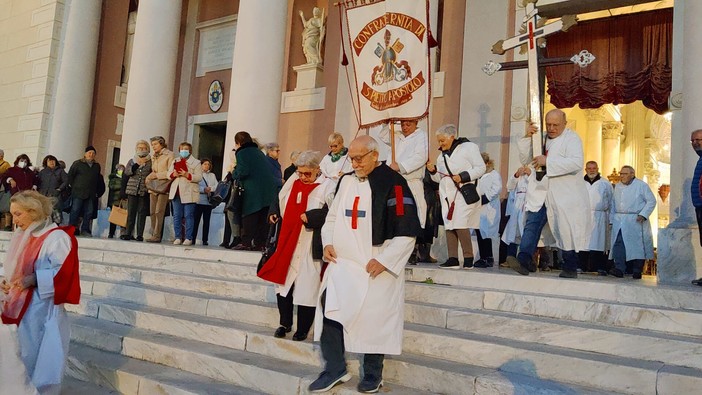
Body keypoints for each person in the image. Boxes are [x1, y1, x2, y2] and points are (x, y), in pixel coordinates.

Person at [308, 136, 420, 393]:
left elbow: (407, 230)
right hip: (343, 262)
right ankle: (334, 368)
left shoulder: (394, 182)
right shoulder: (346, 181)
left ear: (374, 154)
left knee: (374, 318)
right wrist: (327, 242)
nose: (355, 163)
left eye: (360, 158)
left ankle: (372, 373)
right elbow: (333, 217)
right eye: (352, 158)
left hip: (375, 261)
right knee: (331, 310)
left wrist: (385, 260)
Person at [1, 190, 80, 394]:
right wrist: (4, 278)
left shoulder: (57, 238)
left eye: (18, 214)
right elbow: (13, 264)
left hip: (41, 308)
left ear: (33, 211)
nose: (14, 220)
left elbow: (64, 273)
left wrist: (34, 278)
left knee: (35, 355)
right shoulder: (24, 234)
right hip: (18, 302)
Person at [258, 151, 334, 342]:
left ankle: (303, 328)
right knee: (283, 283)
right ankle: (284, 323)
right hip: (287, 240)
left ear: (317, 170)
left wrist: (313, 217)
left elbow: (333, 214)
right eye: (300, 172)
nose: (302, 177)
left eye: (307, 174)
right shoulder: (293, 181)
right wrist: (274, 212)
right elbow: (279, 198)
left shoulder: (328, 186)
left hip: (309, 242)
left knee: (307, 287)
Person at [507, 109, 591, 278]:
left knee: (565, 228)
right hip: (541, 192)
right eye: (549, 124)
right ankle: (523, 260)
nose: (551, 128)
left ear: (565, 124)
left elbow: (576, 163)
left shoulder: (571, 139)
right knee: (532, 224)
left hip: (564, 193)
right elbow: (526, 160)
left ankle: (570, 266)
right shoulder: (541, 138)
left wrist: (548, 161)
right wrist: (527, 138)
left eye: (556, 125)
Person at [426, 124, 486, 269]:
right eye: (439, 141)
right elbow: (440, 178)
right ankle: (452, 258)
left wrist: (463, 176)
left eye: (442, 141)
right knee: (449, 224)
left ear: (451, 137)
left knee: (460, 222)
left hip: (463, 192)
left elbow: (481, 168)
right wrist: (433, 172)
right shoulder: (441, 156)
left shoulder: (469, 148)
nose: (440, 144)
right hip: (447, 195)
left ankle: (468, 257)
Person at [378, 119, 428, 263]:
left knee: (411, 215)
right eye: (403, 124)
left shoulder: (421, 137)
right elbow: (384, 136)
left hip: (410, 181)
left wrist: (400, 166)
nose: (405, 127)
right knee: (395, 214)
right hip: (394, 183)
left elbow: (420, 157)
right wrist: (386, 123)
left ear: (415, 123)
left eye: (408, 125)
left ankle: (412, 250)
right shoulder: (398, 136)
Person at [231, 131, 278, 251]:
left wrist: (234, 173)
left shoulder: (241, 153)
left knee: (249, 216)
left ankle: (246, 242)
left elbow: (243, 171)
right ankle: (260, 243)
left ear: (239, 143)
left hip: (253, 191)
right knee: (263, 217)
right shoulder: (259, 152)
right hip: (268, 190)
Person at [609, 166, 656, 279]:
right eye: (621, 173)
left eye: (625, 174)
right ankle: (619, 268)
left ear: (632, 174)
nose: (622, 176)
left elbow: (651, 201)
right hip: (619, 219)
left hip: (635, 219)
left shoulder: (641, 186)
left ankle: (637, 270)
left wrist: (643, 214)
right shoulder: (617, 187)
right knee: (619, 243)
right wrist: (611, 220)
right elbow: (613, 204)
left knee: (637, 245)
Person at [582, 161, 613, 275]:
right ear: (585, 169)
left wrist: (611, 218)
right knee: (583, 243)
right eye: (589, 168)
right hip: (583, 215)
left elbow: (611, 201)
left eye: (594, 168)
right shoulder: (580, 183)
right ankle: (582, 266)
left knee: (598, 241)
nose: (591, 170)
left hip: (599, 215)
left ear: (597, 169)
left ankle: (599, 267)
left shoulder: (605, 183)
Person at [168, 142, 202, 246]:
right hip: (176, 192)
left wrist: (187, 174)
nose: (183, 151)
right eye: (181, 149)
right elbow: (168, 174)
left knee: (188, 215)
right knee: (177, 215)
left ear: (190, 150)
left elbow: (199, 177)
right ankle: (178, 237)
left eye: (186, 149)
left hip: (189, 191)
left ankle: (188, 237)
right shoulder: (175, 161)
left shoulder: (196, 162)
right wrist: (173, 174)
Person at [474, 152, 502, 268]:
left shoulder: (494, 174)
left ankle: (486, 258)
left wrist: (486, 198)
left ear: (486, 163)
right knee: (480, 232)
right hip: (479, 207)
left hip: (489, 207)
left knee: (485, 233)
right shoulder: (477, 175)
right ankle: (486, 257)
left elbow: (497, 188)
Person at [145, 136, 174, 243]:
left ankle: (157, 235)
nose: (154, 147)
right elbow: (153, 170)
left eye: (155, 144)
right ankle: (153, 233)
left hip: (163, 186)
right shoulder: (154, 156)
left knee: (159, 211)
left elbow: (170, 172)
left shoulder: (169, 155)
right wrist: (149, 176)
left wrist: (156, 175)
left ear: (161, 144)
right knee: (152, 211)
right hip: (153, 187)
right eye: (152, 145)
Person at [67, 146, 102, 236]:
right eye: (89, 153)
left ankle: (85, 230)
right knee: (75, 210)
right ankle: (72, 228)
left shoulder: (96, 166)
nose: (91, 155)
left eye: (93, 153)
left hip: (91, 193)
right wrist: (73, 186)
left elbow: (98, 179)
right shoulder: (78, 164)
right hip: (78, 192)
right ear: (85, 154)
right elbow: (70, 176)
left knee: (89, 212)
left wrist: (97, 191)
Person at [122, 141, 152, 241]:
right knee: (131, 212)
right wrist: (136, 165)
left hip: (143, 189)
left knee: (141, 212)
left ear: (147, 149)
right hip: (132, 189)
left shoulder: (150, 161)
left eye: (143, 148)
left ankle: (139, 234)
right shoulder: (132, 160)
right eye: (139, 147)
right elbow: (127, 172)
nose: (141, 149)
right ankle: (128, 233)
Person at [37, 155, 69, 225]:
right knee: (44, 212)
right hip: (44, 195)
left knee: (56, 212)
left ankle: (56, 226)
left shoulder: (60, 171)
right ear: (46, 162)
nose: (52, 162)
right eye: (49, 161)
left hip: (56, 195)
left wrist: (59, 189)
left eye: (53, 160)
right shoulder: (42, 172)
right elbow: (38, 182)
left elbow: (66, 181)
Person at [193, 158, 217, 245]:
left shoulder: (212, 175)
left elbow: (216, 185)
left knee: (206, 222)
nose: (207, 166)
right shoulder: (198, 175)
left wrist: (210, 189)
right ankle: (192, 238)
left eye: (208, 164)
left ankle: (205, 240)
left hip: (208, 202)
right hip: (199, 201)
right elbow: (195, 187)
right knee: (196, 221)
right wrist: (203, 189)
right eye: (205, 164)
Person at [106, 164, 126, 238]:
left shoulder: (125, 178)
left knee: (123, 217)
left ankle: (123, 233)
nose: (121, 170)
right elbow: (112, 186)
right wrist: (122, 186)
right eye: (119, 169)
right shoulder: (113, 178)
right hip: (115, 200)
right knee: (114, 218)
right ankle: (111, 233)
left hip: (123, 200)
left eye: (122, 169)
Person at [0, 149, 11, 230]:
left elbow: (9, 174)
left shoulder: (6, 164)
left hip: (2, 188)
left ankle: (7, 225)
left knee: (5, 207)